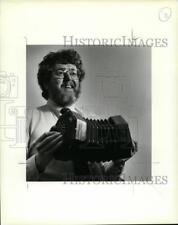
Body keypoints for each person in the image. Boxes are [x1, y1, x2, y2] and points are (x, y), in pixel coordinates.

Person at [26, 49, 135, 181]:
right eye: (60, 73)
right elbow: (10, 180)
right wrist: (39, 161)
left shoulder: (93, 119)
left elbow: (106, 178)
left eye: (73, 73)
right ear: (46, 82)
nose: (69, 78)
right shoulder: (27, 119)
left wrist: (118, 161)